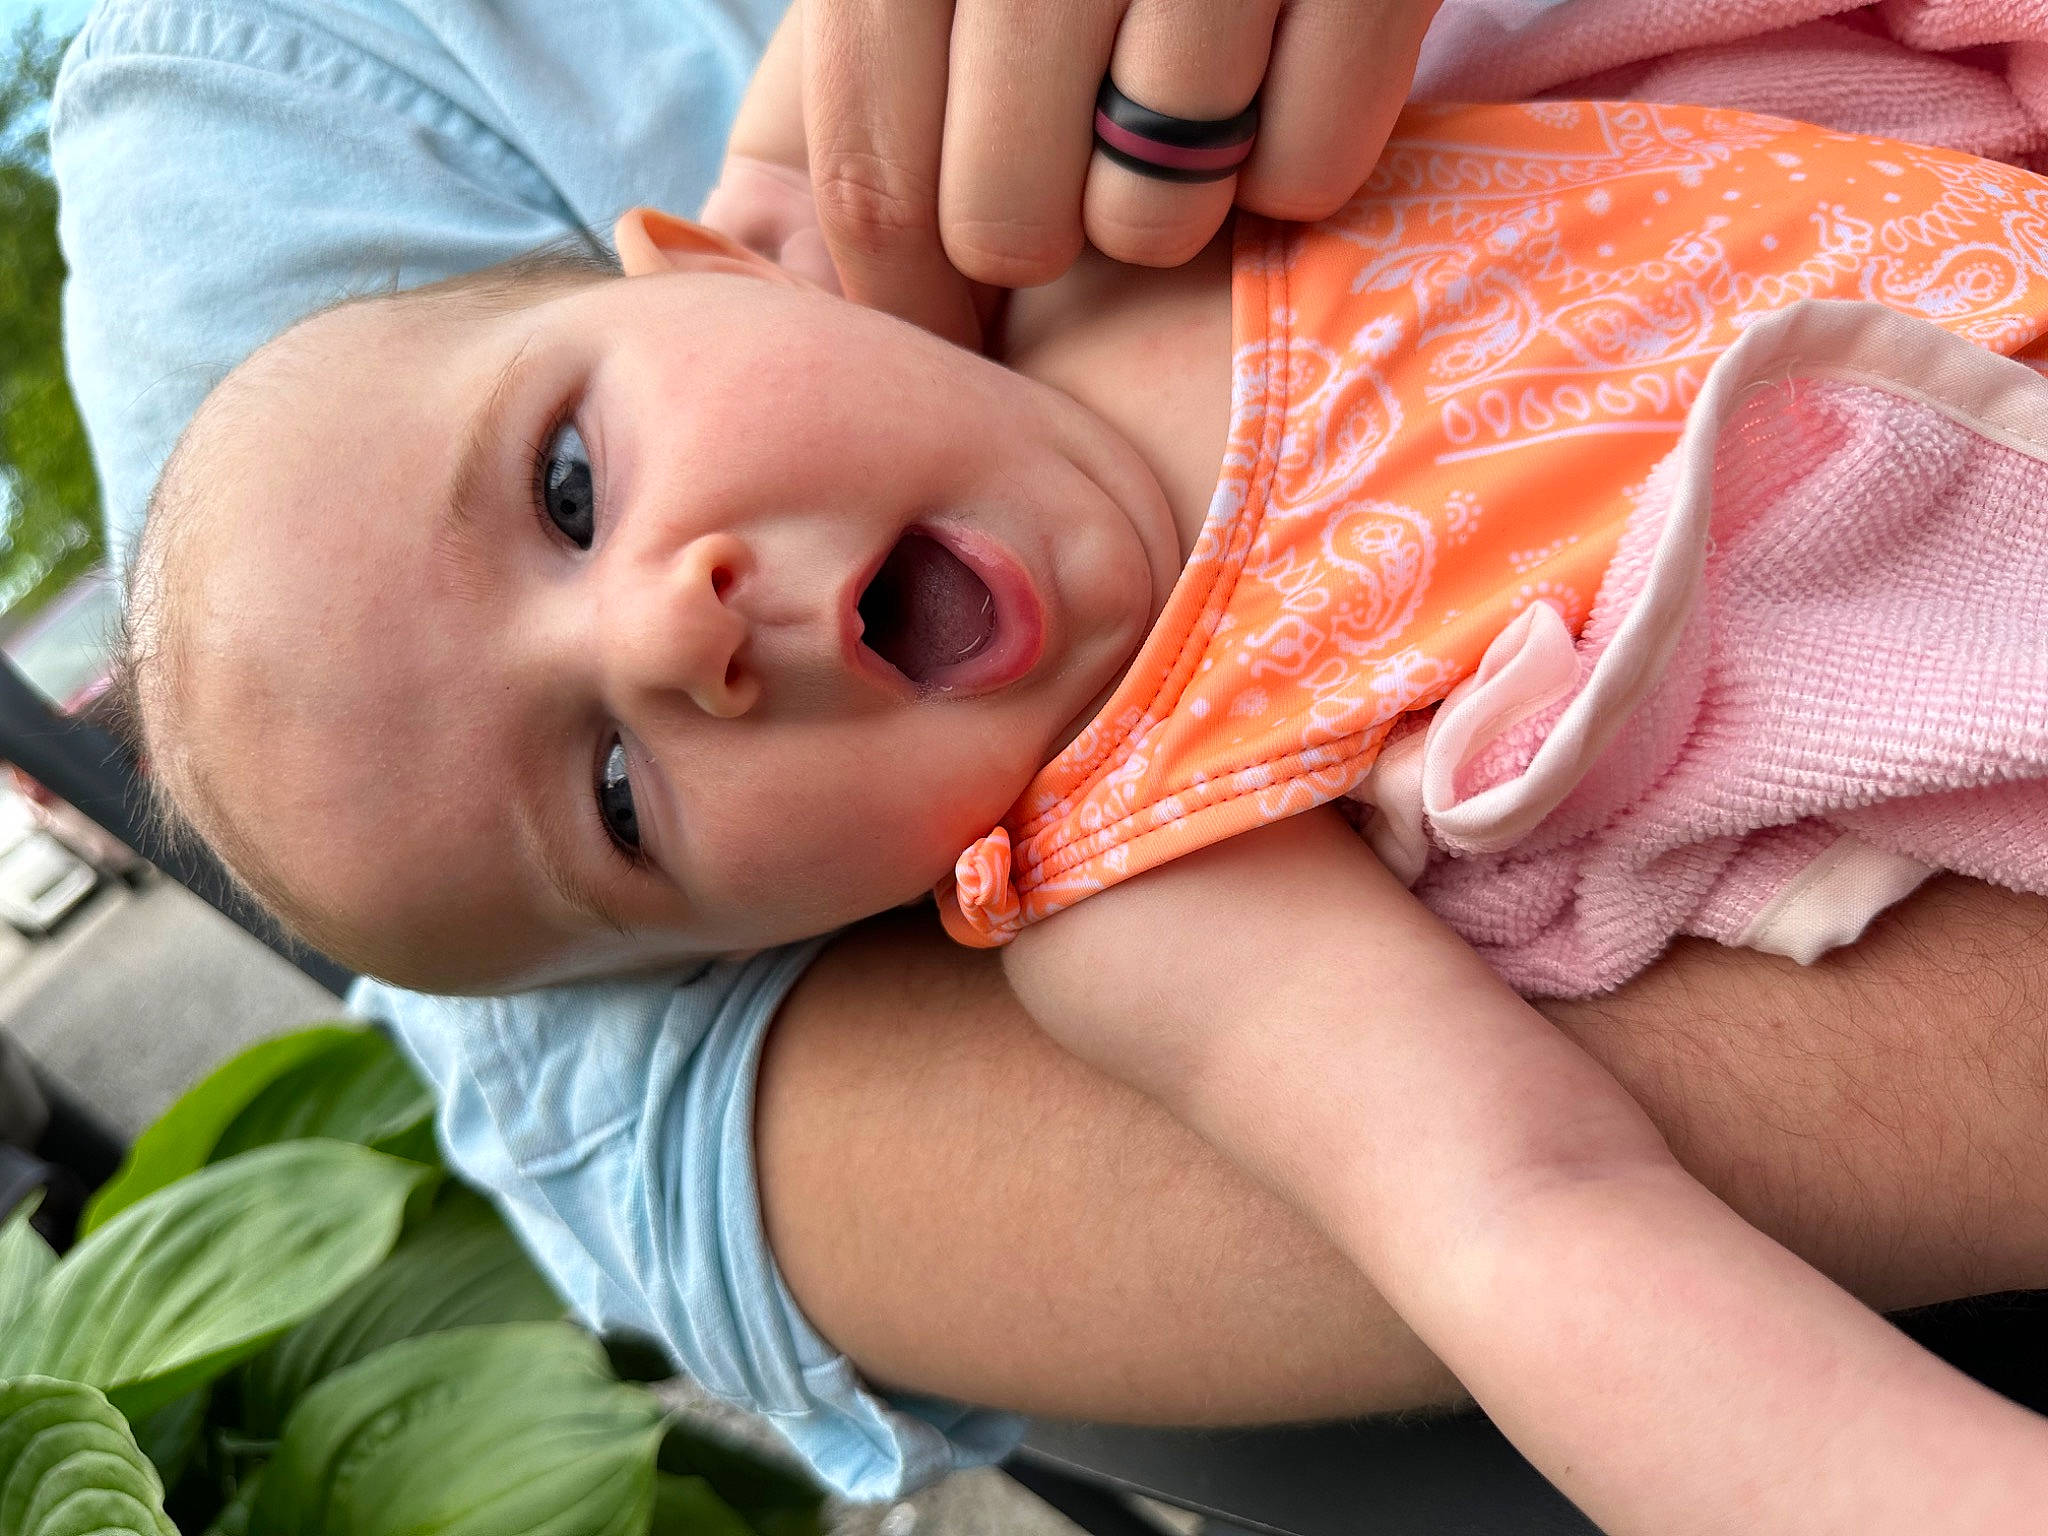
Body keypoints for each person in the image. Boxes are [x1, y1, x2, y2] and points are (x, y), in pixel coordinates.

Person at [51, 0, 2048, 1507]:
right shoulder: (1159, 888)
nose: (671, 635)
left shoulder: (1112, 196)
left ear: (720, 262)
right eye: (614, 804)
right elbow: (1527, 1230)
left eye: (570, 482)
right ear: (773, 933)